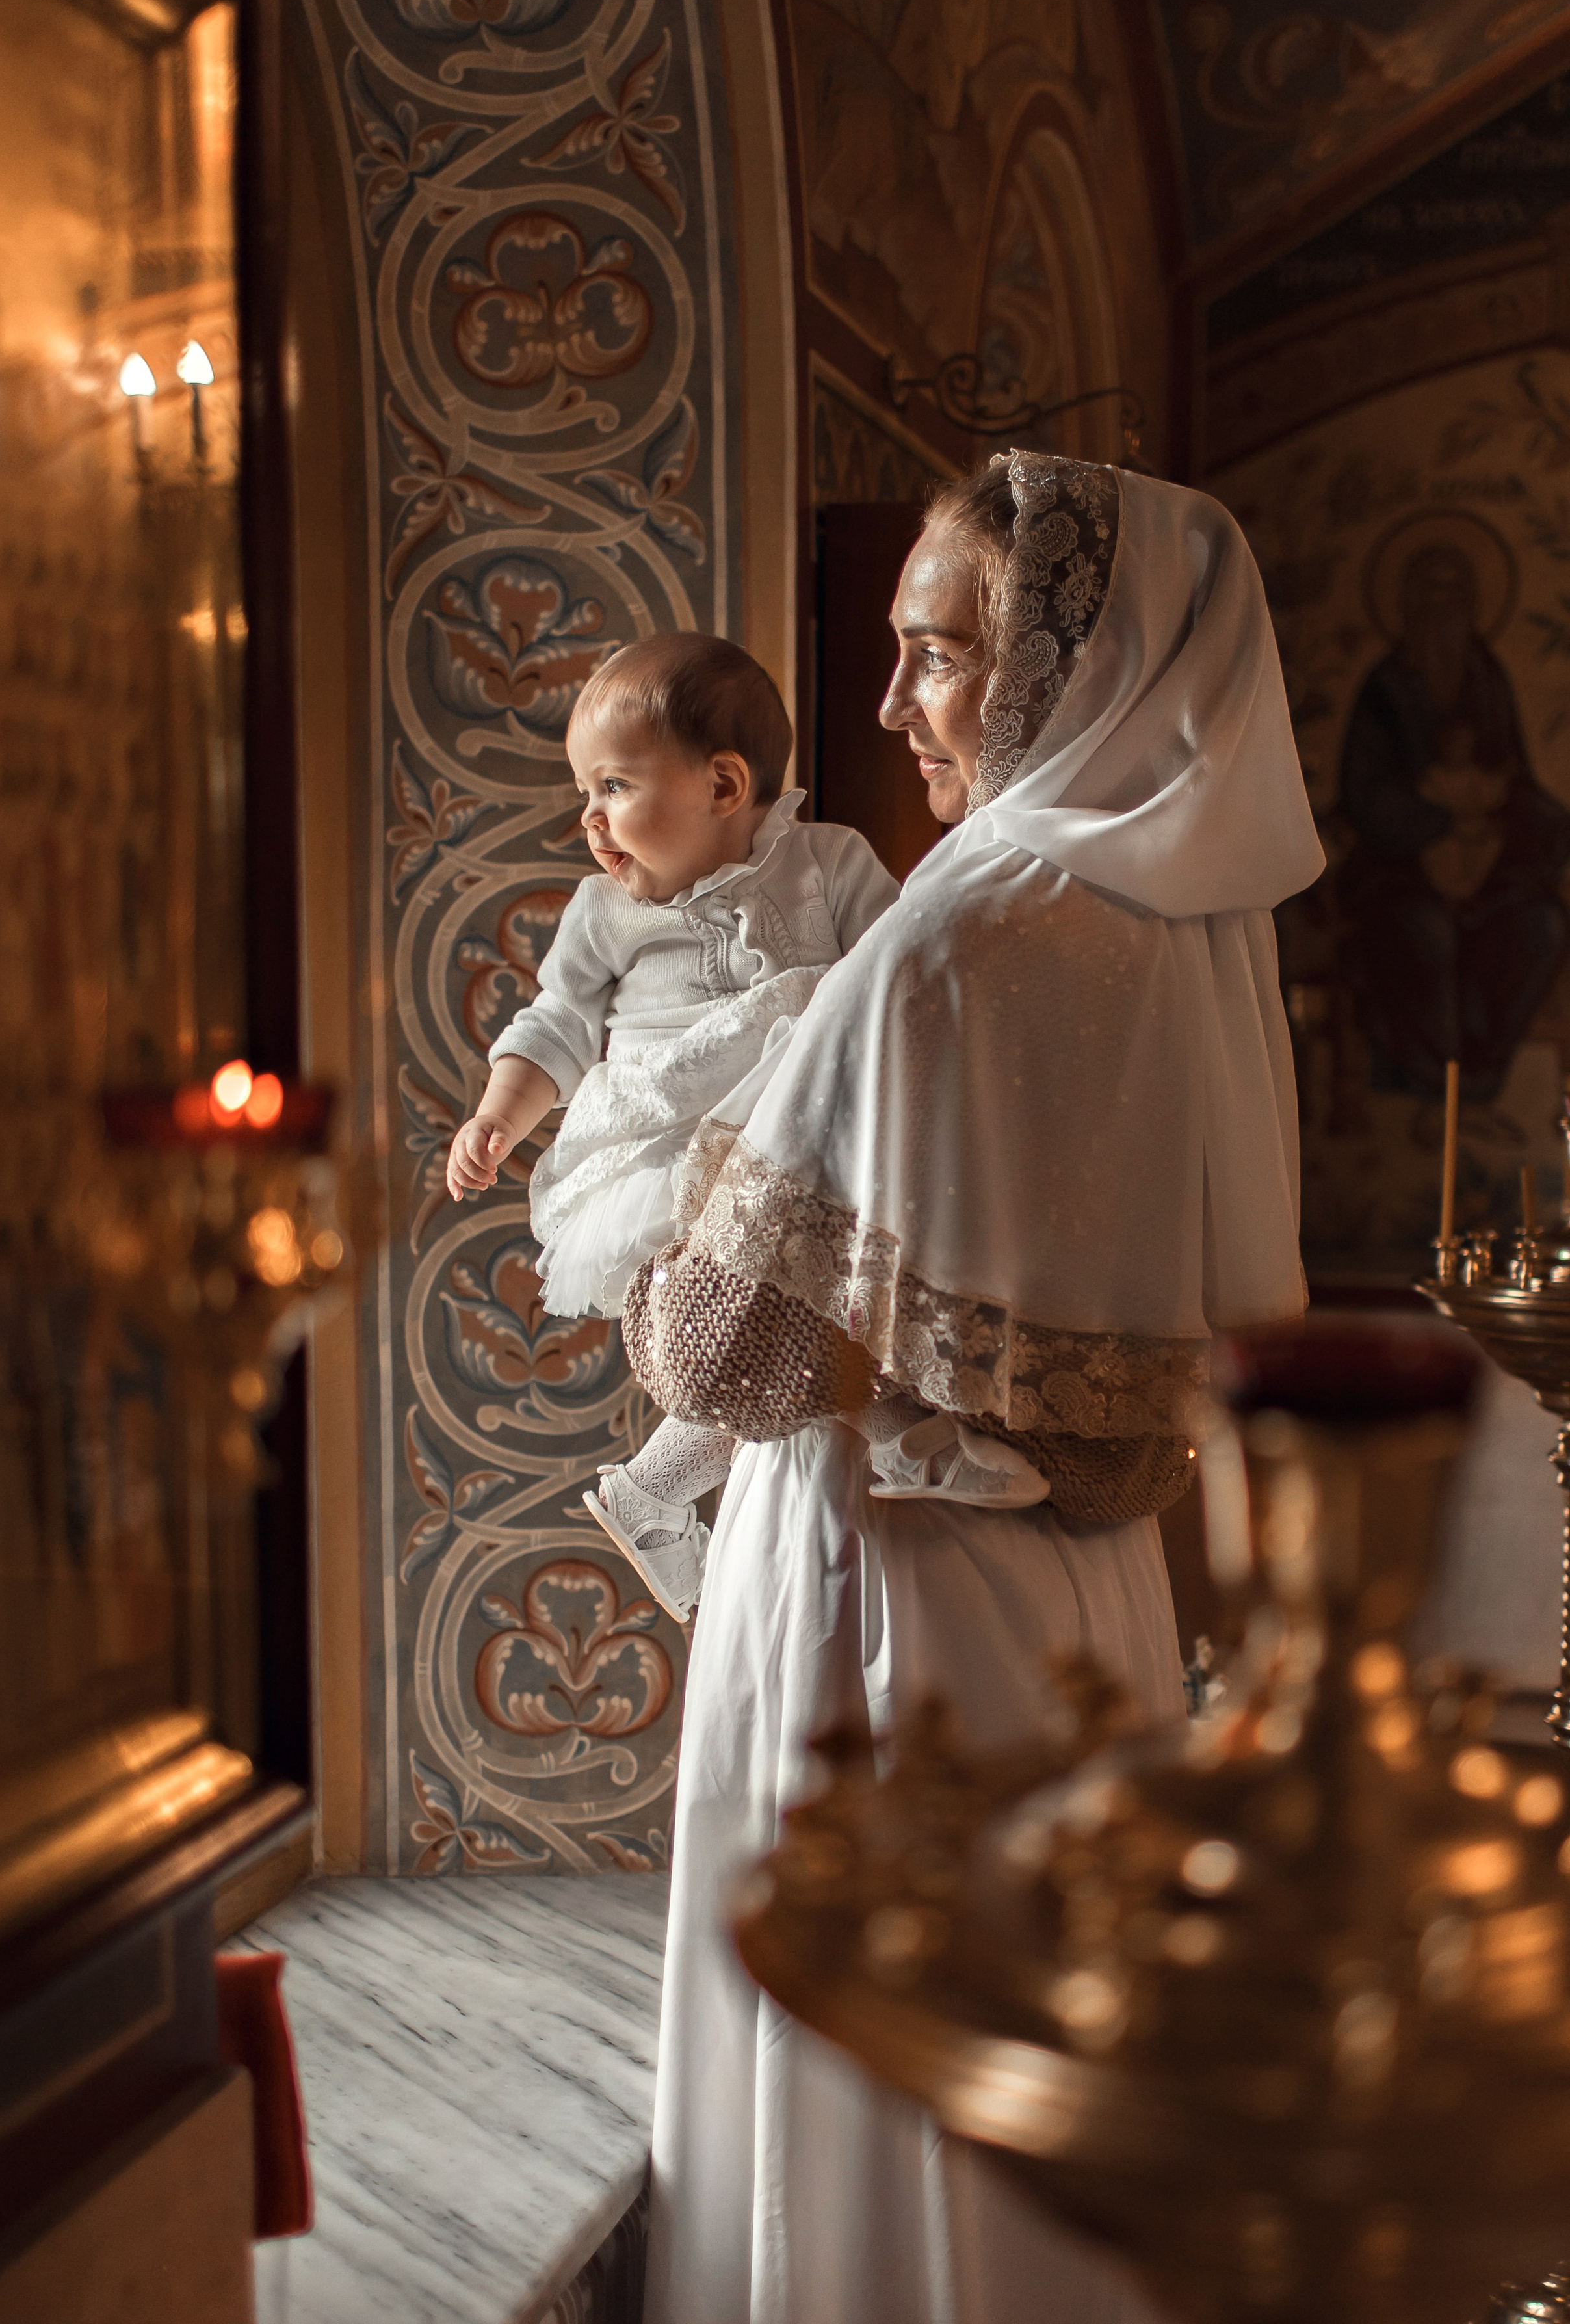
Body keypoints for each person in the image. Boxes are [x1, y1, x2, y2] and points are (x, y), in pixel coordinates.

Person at [623, 453, 1324, 2322]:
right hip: (1091, 1597)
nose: (888, 706)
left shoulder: (947, 940)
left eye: (935, 656)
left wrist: (662, 1193)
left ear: (1063, 671)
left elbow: (720, 1351)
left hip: (887, 1604)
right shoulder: (1179, 932)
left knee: (880, 2066)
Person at [445, 632, 898, 1619]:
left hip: (803, 1129)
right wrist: (498, 1116)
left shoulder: (829, 864)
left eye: (611, 787)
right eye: (584, 795)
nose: (590, 821)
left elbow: (902, 981)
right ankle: (663, 1482)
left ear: (725, 785)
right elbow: (557, 1026)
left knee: (833, 1287)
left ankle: (659, 1485)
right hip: (672, 1136)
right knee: (748, 1320)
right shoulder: (602, 911)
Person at [1338, 538, 1570, 1105]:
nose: (1445, 609)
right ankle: (1430, 1084)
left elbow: (1512, 776)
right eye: (1432, 594)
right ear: (1410, 604)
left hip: (1487, 871)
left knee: (1543, 928)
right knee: (1428, 937)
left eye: (1457, 594)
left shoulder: (1485, 675)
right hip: (1401, 872)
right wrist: (1440, 822)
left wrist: (1539, 824)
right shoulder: (1386, 687)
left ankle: (1482, 1077)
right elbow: (1362, 795)